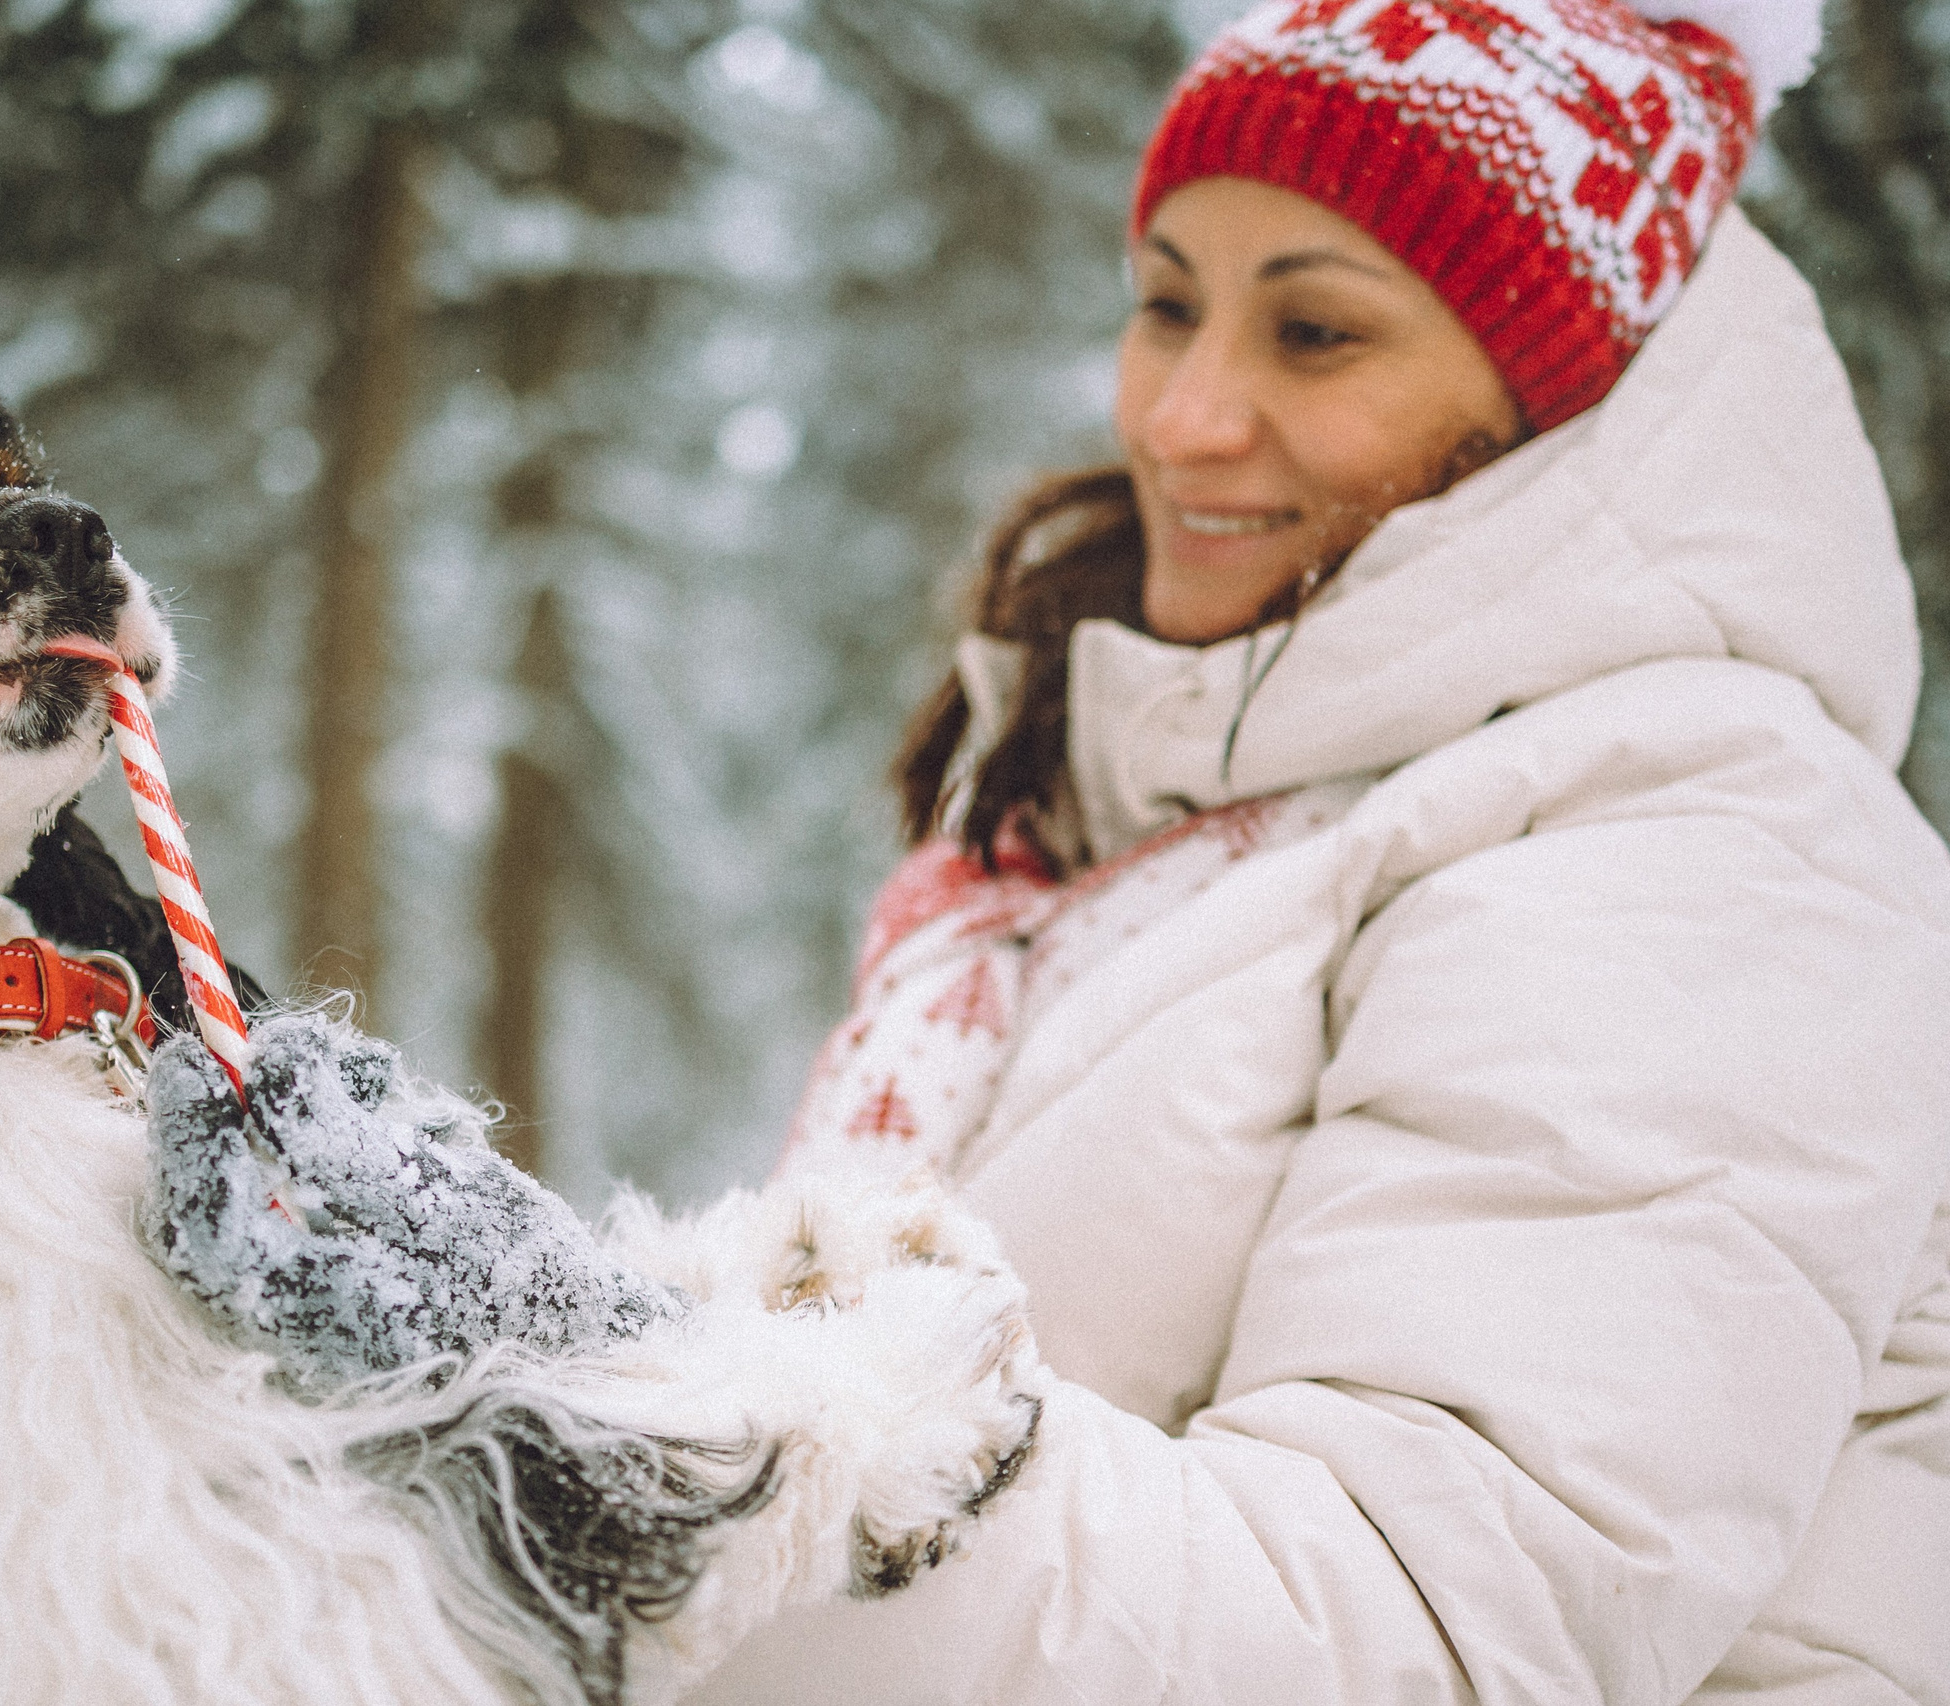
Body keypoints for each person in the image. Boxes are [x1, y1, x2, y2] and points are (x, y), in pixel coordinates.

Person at [686, 0, 1950, 1697]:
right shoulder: (1130, 831)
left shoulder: (1707, 861)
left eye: (1316, 332)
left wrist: (656, 1453)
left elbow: (1406, 1624)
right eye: (1167, 306)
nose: (1184, 417)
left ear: (1566, 389)